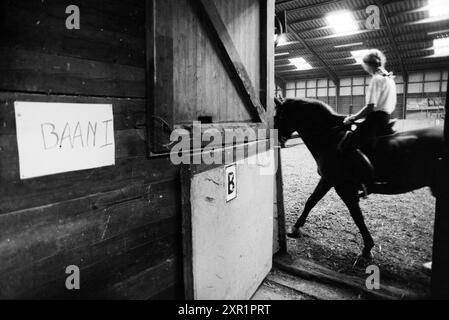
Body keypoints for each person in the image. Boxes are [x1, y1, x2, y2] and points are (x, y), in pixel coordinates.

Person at [340, 49, 397, 194]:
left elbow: (370, 107)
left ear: (367, 65)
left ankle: (365, 181)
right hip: (386, 117)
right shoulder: (389, 78)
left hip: (375, 119)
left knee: (347, 144)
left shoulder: (376, 79)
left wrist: (352, 118)